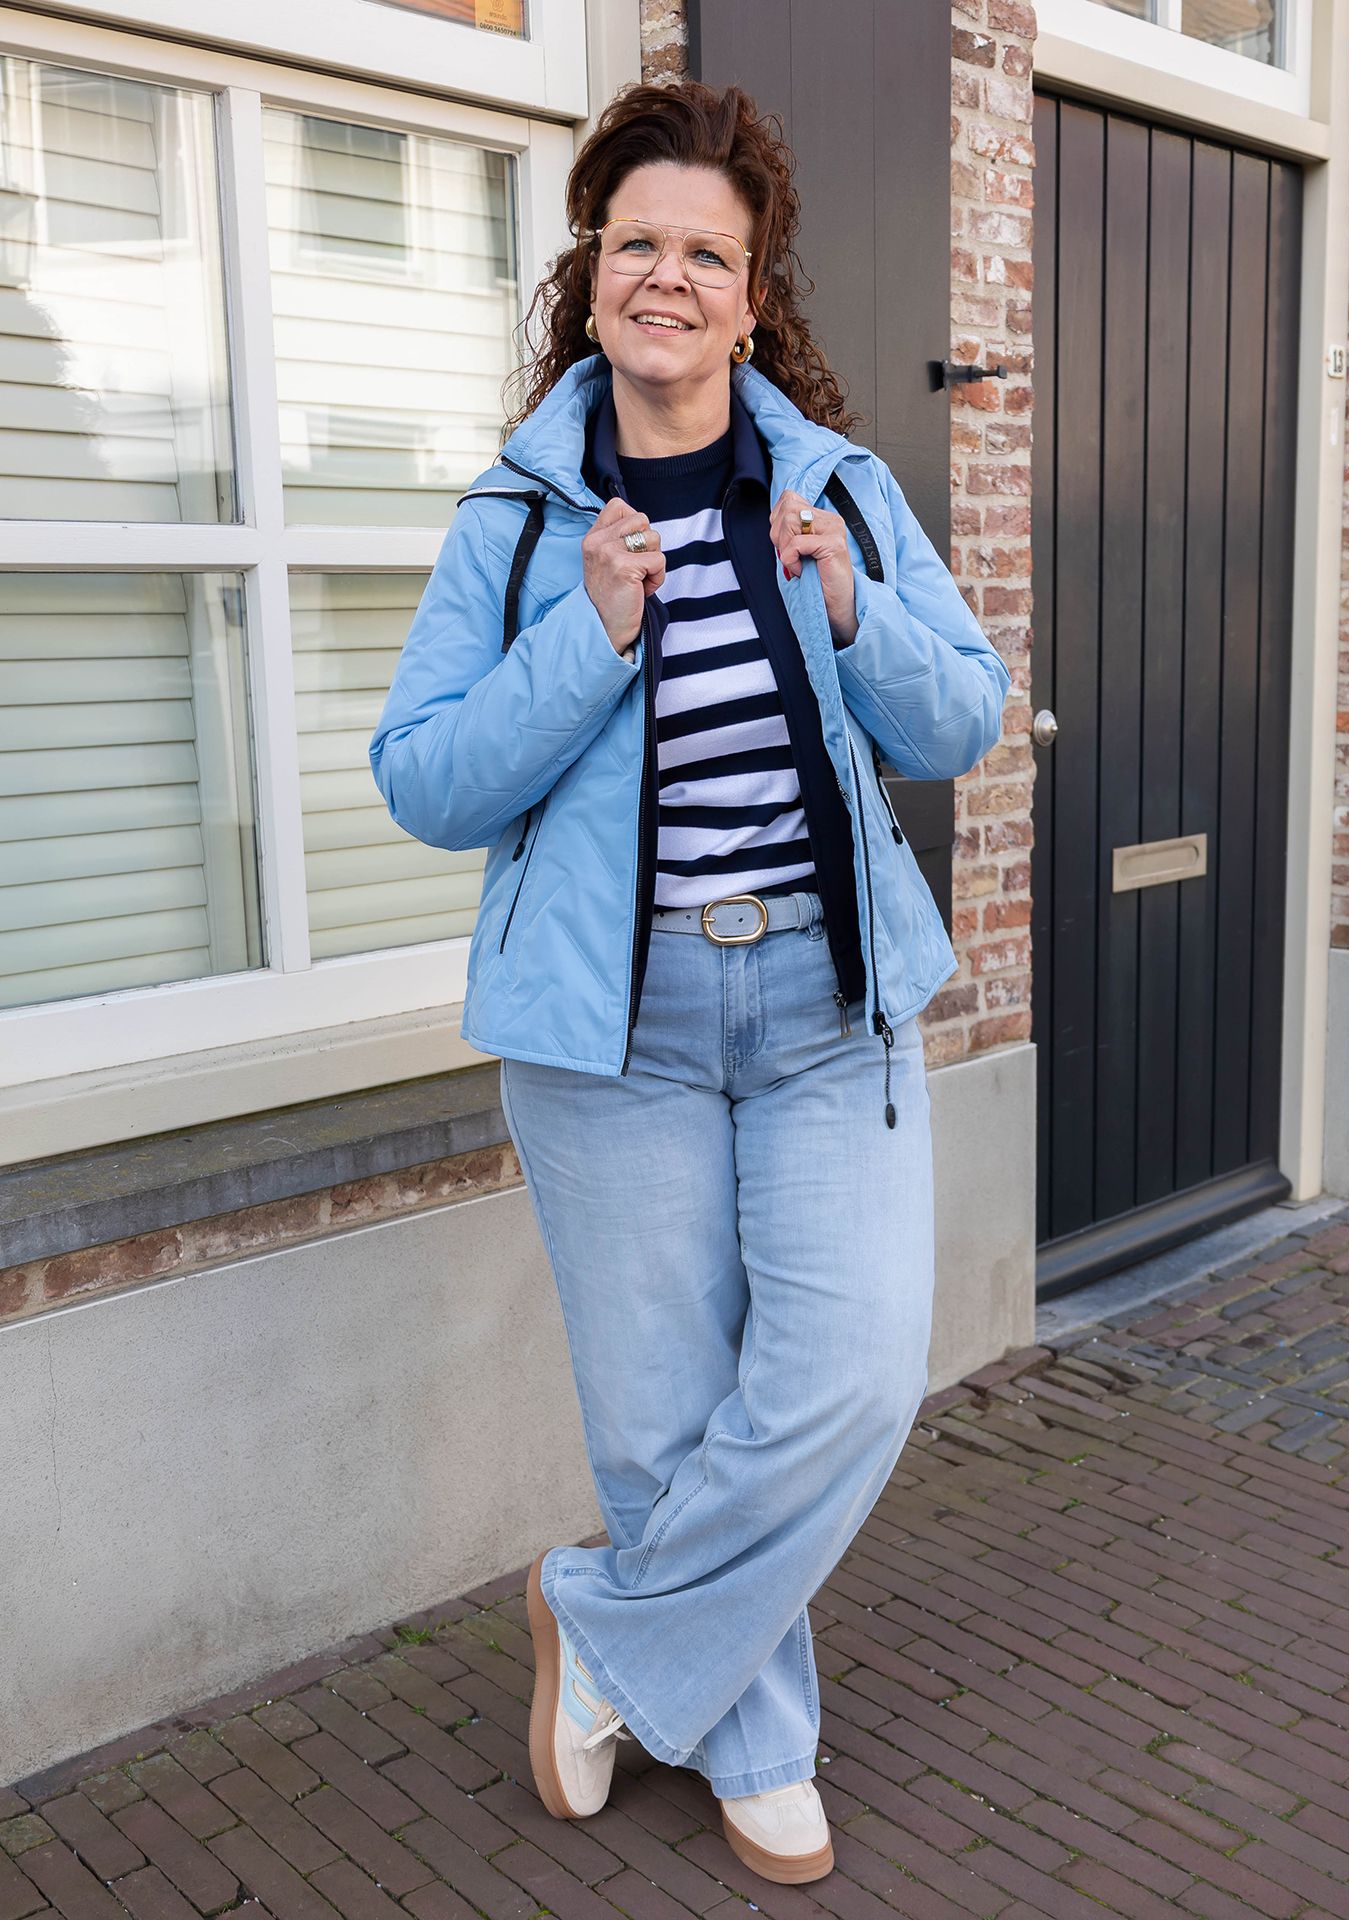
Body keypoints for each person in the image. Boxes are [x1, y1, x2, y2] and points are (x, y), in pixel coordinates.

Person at [369, 78, 1011, 1886]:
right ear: (592, 277)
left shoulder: (836, 488)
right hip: (613, 1033)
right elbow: (425, 780)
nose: (668, 276)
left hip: (821, 1010)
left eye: (706, 254)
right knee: (661, 1422)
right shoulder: (519, 520)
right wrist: (588, 638)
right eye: (637, 243)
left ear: (751, 296)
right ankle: (760, 1743)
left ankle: (599, 1626)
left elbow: (963, 719)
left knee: (853, 1379)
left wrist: (856, 611)